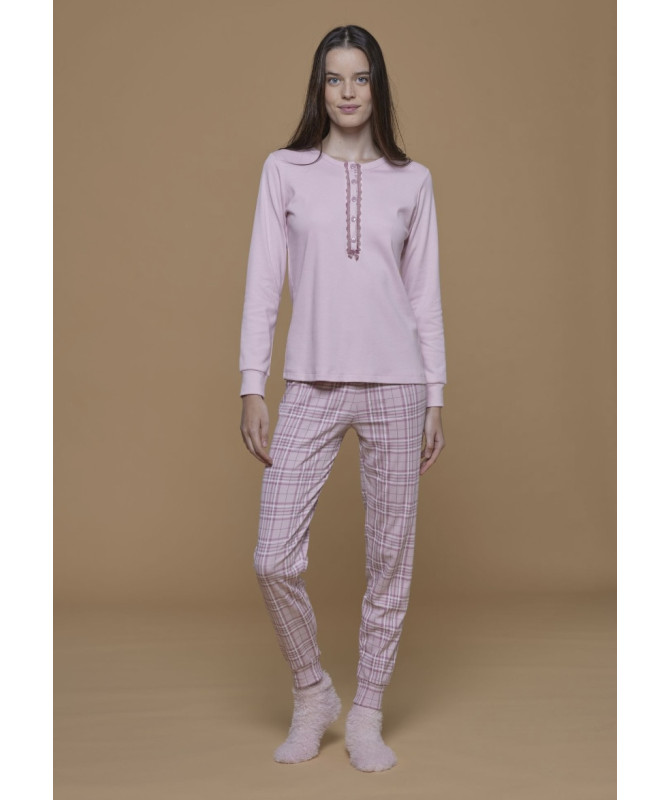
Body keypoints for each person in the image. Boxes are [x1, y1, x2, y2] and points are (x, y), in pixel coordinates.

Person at [238, 24, 447, 772]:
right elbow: (264, 282)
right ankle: (313, 691)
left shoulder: (412, 181)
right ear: (319, 88)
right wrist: (252, 382)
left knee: (391, 556)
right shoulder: (284, 171)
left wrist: (436, 393)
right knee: (272, 557)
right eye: (335, 78)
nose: (348, 91)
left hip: (398, 384)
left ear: (377, 86)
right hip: (311, 382)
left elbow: (423, 296)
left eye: (360, 78)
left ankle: (367, 712)